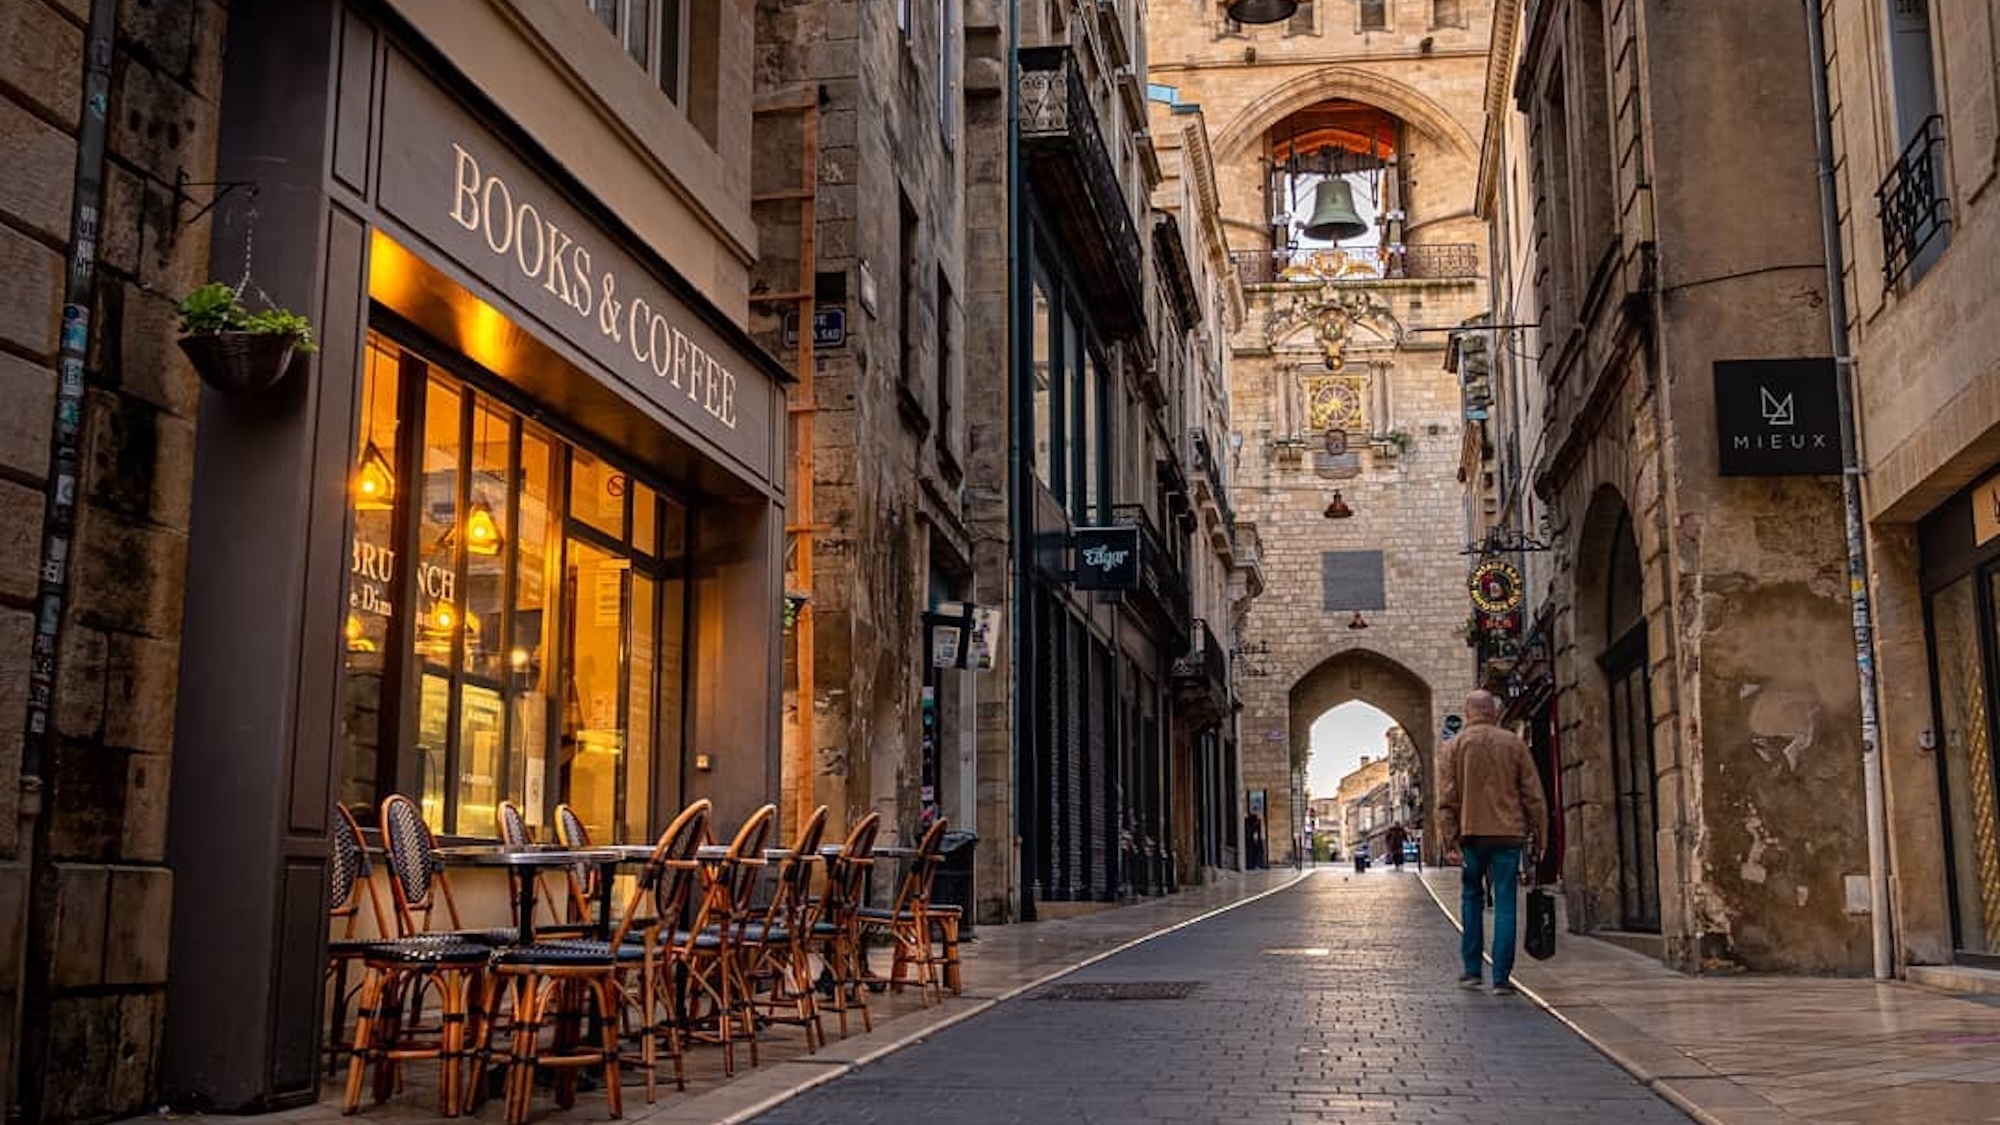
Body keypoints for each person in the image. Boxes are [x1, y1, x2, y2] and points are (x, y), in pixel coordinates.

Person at [1436, 689, 1548, 995]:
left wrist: (1449, 840)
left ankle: (1472, 971)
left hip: (1471, 834)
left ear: (1468, 713)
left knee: (1471, 898)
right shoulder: (1512, 744)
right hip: (1509, 834)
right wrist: (1541, 834)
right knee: (1506, 902)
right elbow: (1533, 795)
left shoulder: (1454, 746)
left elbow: (1447, 799)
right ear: (1494, 712)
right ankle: (1501, 978)